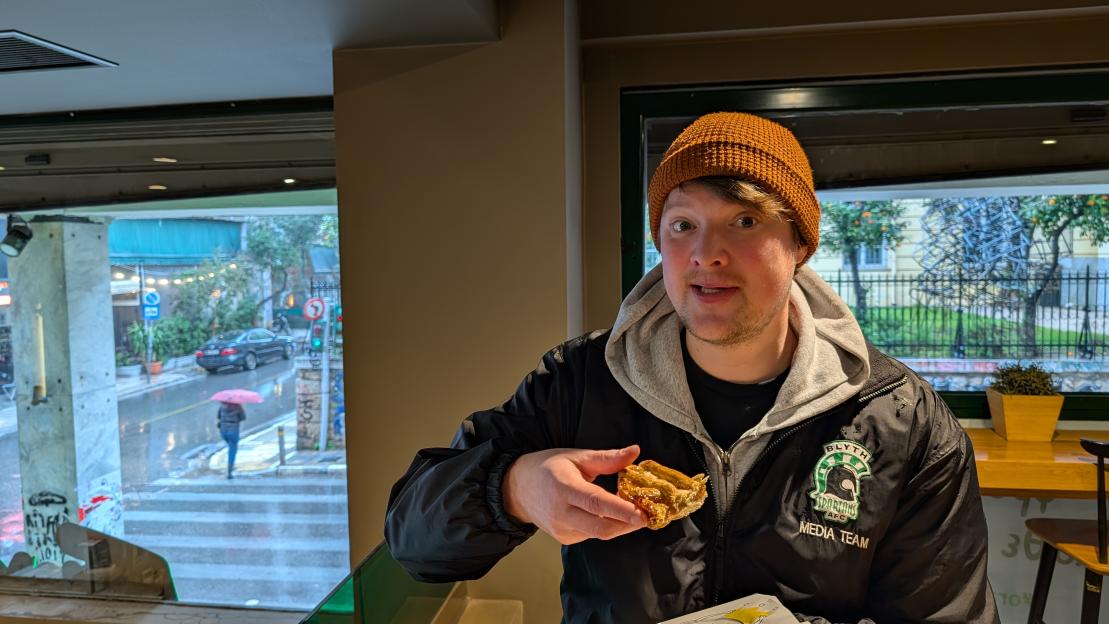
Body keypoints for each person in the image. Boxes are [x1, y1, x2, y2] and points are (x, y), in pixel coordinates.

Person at [385, 112, 999, 623]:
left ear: (800, 245)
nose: (707, 253)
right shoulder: (580, 383)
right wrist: (516, 486)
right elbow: (412, 540)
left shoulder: (902, 420)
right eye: (683, 225)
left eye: (746, 220)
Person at [217, 401, 246, 479]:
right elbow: (243, 417)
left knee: (230, 447)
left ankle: (231, 464)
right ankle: (230, 470)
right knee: (232, 450)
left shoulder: (222, 407)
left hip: (223, 431)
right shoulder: (238, 407)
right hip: (233, 430)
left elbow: (218, 417)